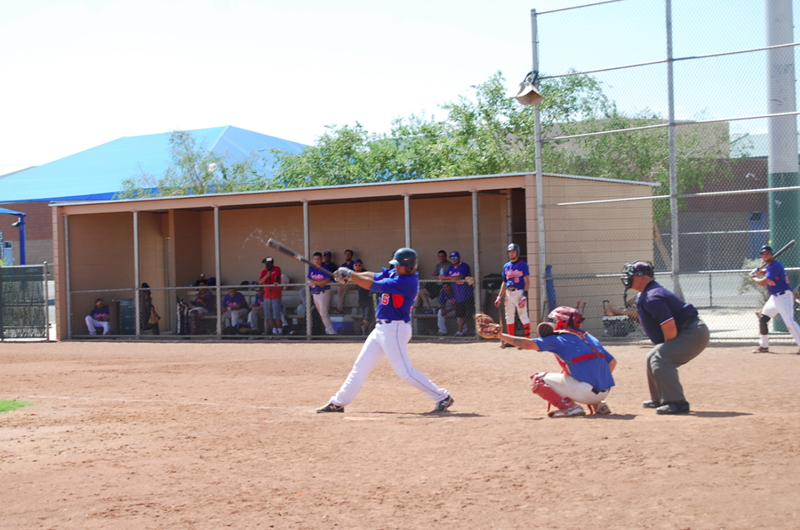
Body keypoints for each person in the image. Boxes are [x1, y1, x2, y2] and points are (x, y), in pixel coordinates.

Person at [316, 248, 454, 414]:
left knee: (405, 372)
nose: (395, 267)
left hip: (395, 329)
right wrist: (351, 273)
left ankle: (442, 397)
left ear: (409, 266)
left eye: (399, 265)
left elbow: (373, 285)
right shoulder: (396, 274)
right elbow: (372, 276)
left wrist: (351, 276)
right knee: (360, 366)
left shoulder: (407, 282)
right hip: (382, 328)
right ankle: (338, 403)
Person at [622, 261, 710, 415]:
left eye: (632, 274)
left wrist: (666, 349)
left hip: (692, 332)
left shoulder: (653, 296)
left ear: (643, 278)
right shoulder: (644, 295)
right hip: (687, 330)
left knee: (660, 359)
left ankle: (676, 402)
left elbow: (669, 327)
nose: (628, 277)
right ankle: (660, 399)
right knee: (652, 356)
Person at [498, 306, 615, 417]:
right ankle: (600, 404)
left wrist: (500, 335)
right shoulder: (590, 337)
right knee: (566, 371)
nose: (553, 323)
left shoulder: (560, 338)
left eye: (555, 320)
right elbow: (612, 362)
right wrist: (597, 381)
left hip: (587, 393)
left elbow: (527, 343)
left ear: (562, 321)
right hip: (603, 392)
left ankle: (571, 408)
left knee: (538, 379)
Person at [750, 244, 800, 354]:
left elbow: (763, 282)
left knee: (789, 322)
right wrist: (759, 272)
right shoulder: (770, 266)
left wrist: (754, 276)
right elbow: (769, 275)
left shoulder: (775, 265)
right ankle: (764, 346)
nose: (765, 255)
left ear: (771, 254)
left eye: (767, 253)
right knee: (763, 320)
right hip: (774, 298)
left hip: (784, 296)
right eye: (763, 254)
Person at [494, 243, 531, 348]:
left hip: (519, 292)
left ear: (517, 253)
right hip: (509, 293)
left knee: (523, 315)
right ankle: (511, 341)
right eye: (510, 252)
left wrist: (524, 296)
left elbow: (527, 281)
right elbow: (504, 282)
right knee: (509, 316)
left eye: (513, 251)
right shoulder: (506, 266)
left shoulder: (523, 265)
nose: (511, 253)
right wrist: (499, 296)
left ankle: (527, 341)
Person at [440, 251, 474, 336]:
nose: (453, 259)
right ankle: (460, 331)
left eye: (455, 257)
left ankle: (477, 330)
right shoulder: (451, 269)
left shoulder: (464, 266)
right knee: (460, 315)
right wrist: (441, 277)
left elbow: (460, 277)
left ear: (459, 258)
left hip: (467, 294)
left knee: (472, 314)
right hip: (458, 296)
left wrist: (446, 277)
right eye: (451, 258)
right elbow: (443, 278)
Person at [307, 252, 336, 335]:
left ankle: (331, 332)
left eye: (318, 259)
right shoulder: (311, 268)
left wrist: (314, 283)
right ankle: (328, 330)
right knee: (321, 314)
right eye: (315, 259)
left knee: (324, 314)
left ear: (321, 259)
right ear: (313, 260)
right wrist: (318, 282)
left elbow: (327, 280)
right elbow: (308, 279)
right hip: (315, 293)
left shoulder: (324, 268)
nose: (316, 261)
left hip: (324, 293)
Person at [259, 256, 284, 335]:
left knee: (276, 315)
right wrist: (267, 275)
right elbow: (260, 282)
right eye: (266, 263)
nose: (267, 265)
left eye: (269, 263)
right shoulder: (264, 272)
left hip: (276, 295)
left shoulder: (277, 269)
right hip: (267, 296)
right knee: (268, 315)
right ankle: (274, 330)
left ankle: (280, 330)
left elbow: (277, 277)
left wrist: (275, 282)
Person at [352, 259, 375, 335]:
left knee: (371, 319)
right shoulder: (353, 274)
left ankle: (368, 333)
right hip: (362, 299)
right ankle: (364, 331)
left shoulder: (365, 272)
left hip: (369, 298)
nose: (358, 267)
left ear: (362, 266)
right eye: (356, 265)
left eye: (359, 265)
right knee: (365, 318)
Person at [336, 249, 356, 314]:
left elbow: (355, 276)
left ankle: (339, 309)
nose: (347, 255)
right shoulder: (343, 265)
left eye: (349, 254)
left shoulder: (354, 264)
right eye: (346, 254)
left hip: (352, 283)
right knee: (335, 287)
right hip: (344, 283)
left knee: (340, 288)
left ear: (351, 256)